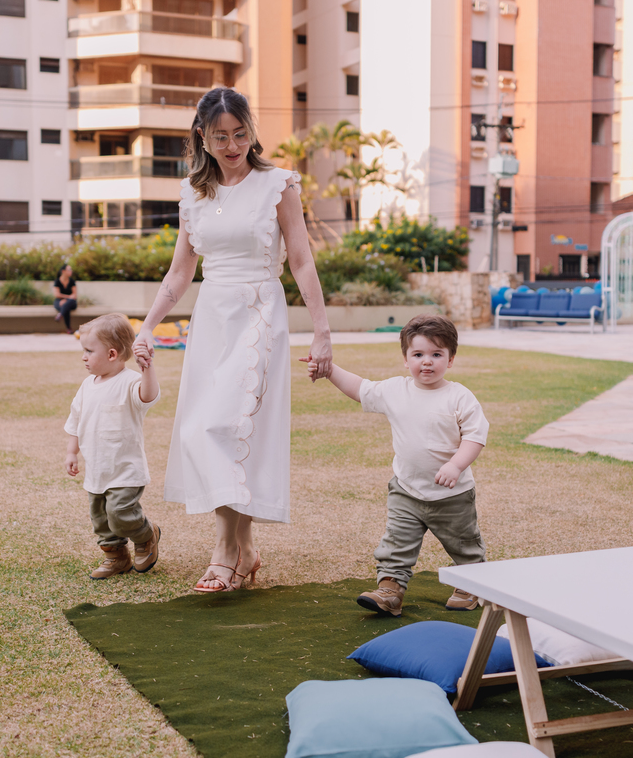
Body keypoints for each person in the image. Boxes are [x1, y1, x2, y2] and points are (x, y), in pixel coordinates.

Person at [133, 88, 333, 593]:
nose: (232, 144)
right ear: (201, 135)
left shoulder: (278, 184)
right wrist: (146, 326)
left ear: (252, 131)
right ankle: (244, 552)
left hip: (261, 313)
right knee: (206, 429)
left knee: (225, 426)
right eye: (220, 136)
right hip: (212, 318)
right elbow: (179, 274)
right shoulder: (192, 194)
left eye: (241, 133)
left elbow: (302, 260)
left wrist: (323, 333)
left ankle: (224, 553)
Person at [307, 314, 490, 617]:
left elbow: (475, 437)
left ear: (451, 359)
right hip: (406, 490)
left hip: (452, 496)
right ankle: (390, 589)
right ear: (406, 359)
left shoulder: (459, 397)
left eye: (436, 354)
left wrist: (456, 465)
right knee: (395, 543)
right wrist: (328, 369)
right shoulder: (395, 391)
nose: (426, 362)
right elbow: (360, 388)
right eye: (418, 355)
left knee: (464, 544)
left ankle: (472, 582)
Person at [64, 314, 162, 580]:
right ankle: (116, 557)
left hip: (125, 470)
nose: (83, 357)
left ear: (111, 354)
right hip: (97, 471)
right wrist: (72, 451)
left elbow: (148, 396)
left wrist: (147, 369)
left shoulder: (130, 381)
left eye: (88, 351)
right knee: (102, 521)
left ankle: (146, 535)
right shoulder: (87, 386)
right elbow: (75, 420)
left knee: (119, 513)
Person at [53, 264, 78, 334]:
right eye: (69, 269)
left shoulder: (72, 281)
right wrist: (67, 298)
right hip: (60, 301)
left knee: (68, 304)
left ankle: (61, 314)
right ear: (63, 271)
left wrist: (66, 300)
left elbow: (74, 295)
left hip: (71, 302)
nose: (71, 271)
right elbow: (57, 294)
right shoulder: (57, 281)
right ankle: (68, 328)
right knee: (66, 307)